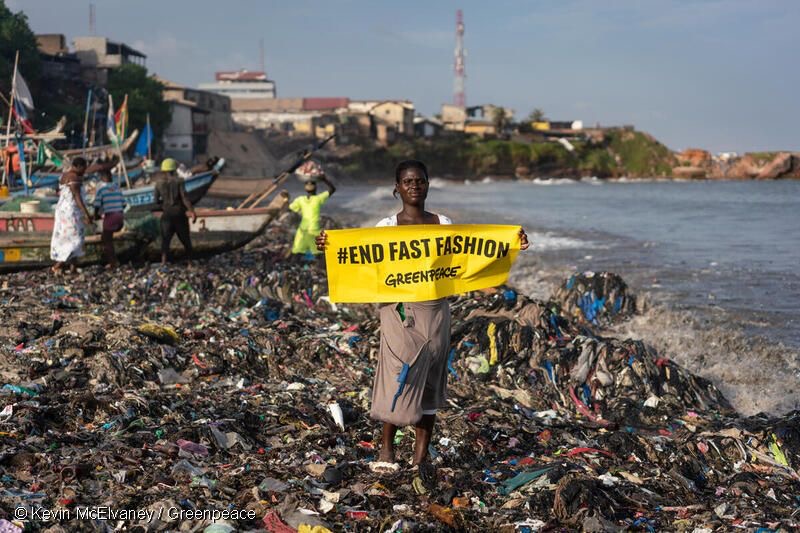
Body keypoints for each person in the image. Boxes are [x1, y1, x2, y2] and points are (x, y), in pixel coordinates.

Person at [317, 160, 529, 476]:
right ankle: (387, 449)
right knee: (398, 375)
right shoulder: (385, 229)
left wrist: (511, 245)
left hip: (435, 312)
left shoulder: (444, 224)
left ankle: (420, 456)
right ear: (397, 188)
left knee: (430, 377)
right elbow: (364, 264)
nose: (414, 186)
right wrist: (330, 248)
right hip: (398, 311)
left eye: (419, 180)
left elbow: (470, 259)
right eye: (407, 181)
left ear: (427, 185)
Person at [50, 157, 116, 272]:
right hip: (71, 212)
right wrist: (86, 214)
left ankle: (73, 267)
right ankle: (57, 265)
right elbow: (77, 197)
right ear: (78, 166)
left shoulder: (64, 176)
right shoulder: (74, 178)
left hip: (62, 211)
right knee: (75, 240)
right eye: (83, 168)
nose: (84, 171)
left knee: (67, 238)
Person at [154, 158, 196, 264]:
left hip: (167, 215)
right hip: (179, 215)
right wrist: (192, 212)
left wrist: (164, 206)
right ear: (174, 170)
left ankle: (163, 263)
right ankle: (190, 263)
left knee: (165, 241)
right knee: (186, 240)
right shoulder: (179, 181)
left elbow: (155, 202)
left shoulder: (158, 184)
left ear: (163, 171)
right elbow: (185, 198)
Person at [289, 168, 335, 259]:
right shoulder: (318, 199)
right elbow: (332, 189)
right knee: (318, 255)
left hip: (305, 231)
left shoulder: (301, 200)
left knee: (297, 254)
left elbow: (290, 209)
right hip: (312, 231)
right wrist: (324, 179)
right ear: (316, 188)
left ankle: (296, 269)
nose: (309, 184)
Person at [93, 169, 127, 268]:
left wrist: (96, 216)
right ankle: (113, 259)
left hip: (111, 216)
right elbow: (124, 204)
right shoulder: (117, 188)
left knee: (106, 240)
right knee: (109, 238)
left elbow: (97, 205)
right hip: (120, 216)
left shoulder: (101, 190)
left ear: (102, 179)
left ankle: (113, 262)